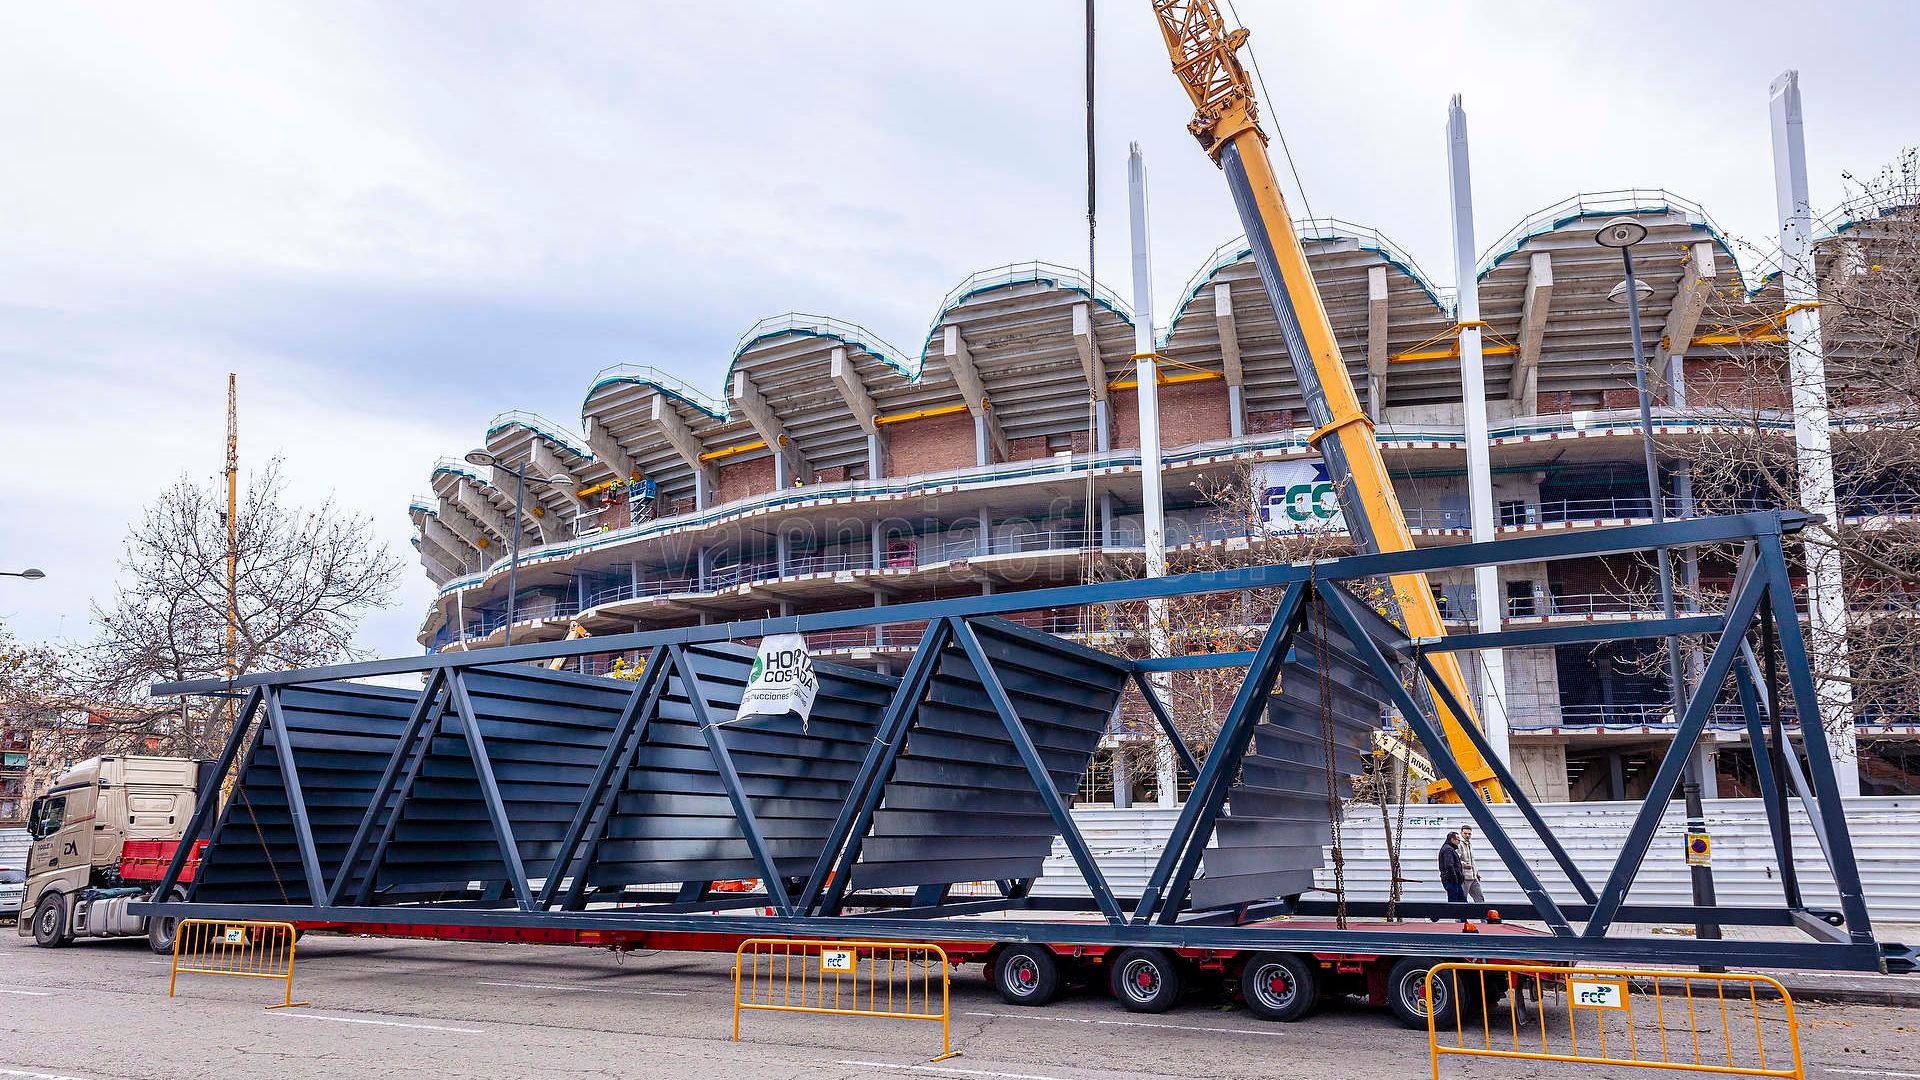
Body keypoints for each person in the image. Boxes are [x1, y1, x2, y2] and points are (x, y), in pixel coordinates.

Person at [1437, 830, 1466, 905]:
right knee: (1456, 902)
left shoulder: (1448, 849)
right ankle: (1456, 913)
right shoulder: (1448, 850)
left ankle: (1459, 913)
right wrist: (1455, 879)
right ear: (1452, 839)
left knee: (1460, 901)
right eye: (1458, 840)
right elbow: (1449, 865)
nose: (1459, 842)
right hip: (1452, 881)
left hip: (1452, 880)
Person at [1459, 824, 1485, 904]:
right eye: (1465, 833)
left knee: (1480, 898)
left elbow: (1472, 860)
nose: (1467, 835)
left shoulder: (1469, 844)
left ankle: (1481, 912)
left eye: (1469, 834)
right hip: (1464, 877)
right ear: (1461, 833)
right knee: (1463, 899)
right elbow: (1456, 860)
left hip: (1473, 877)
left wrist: (1476, 873)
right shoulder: (1459, 844)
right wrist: (1464, 865)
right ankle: (1462, 913)